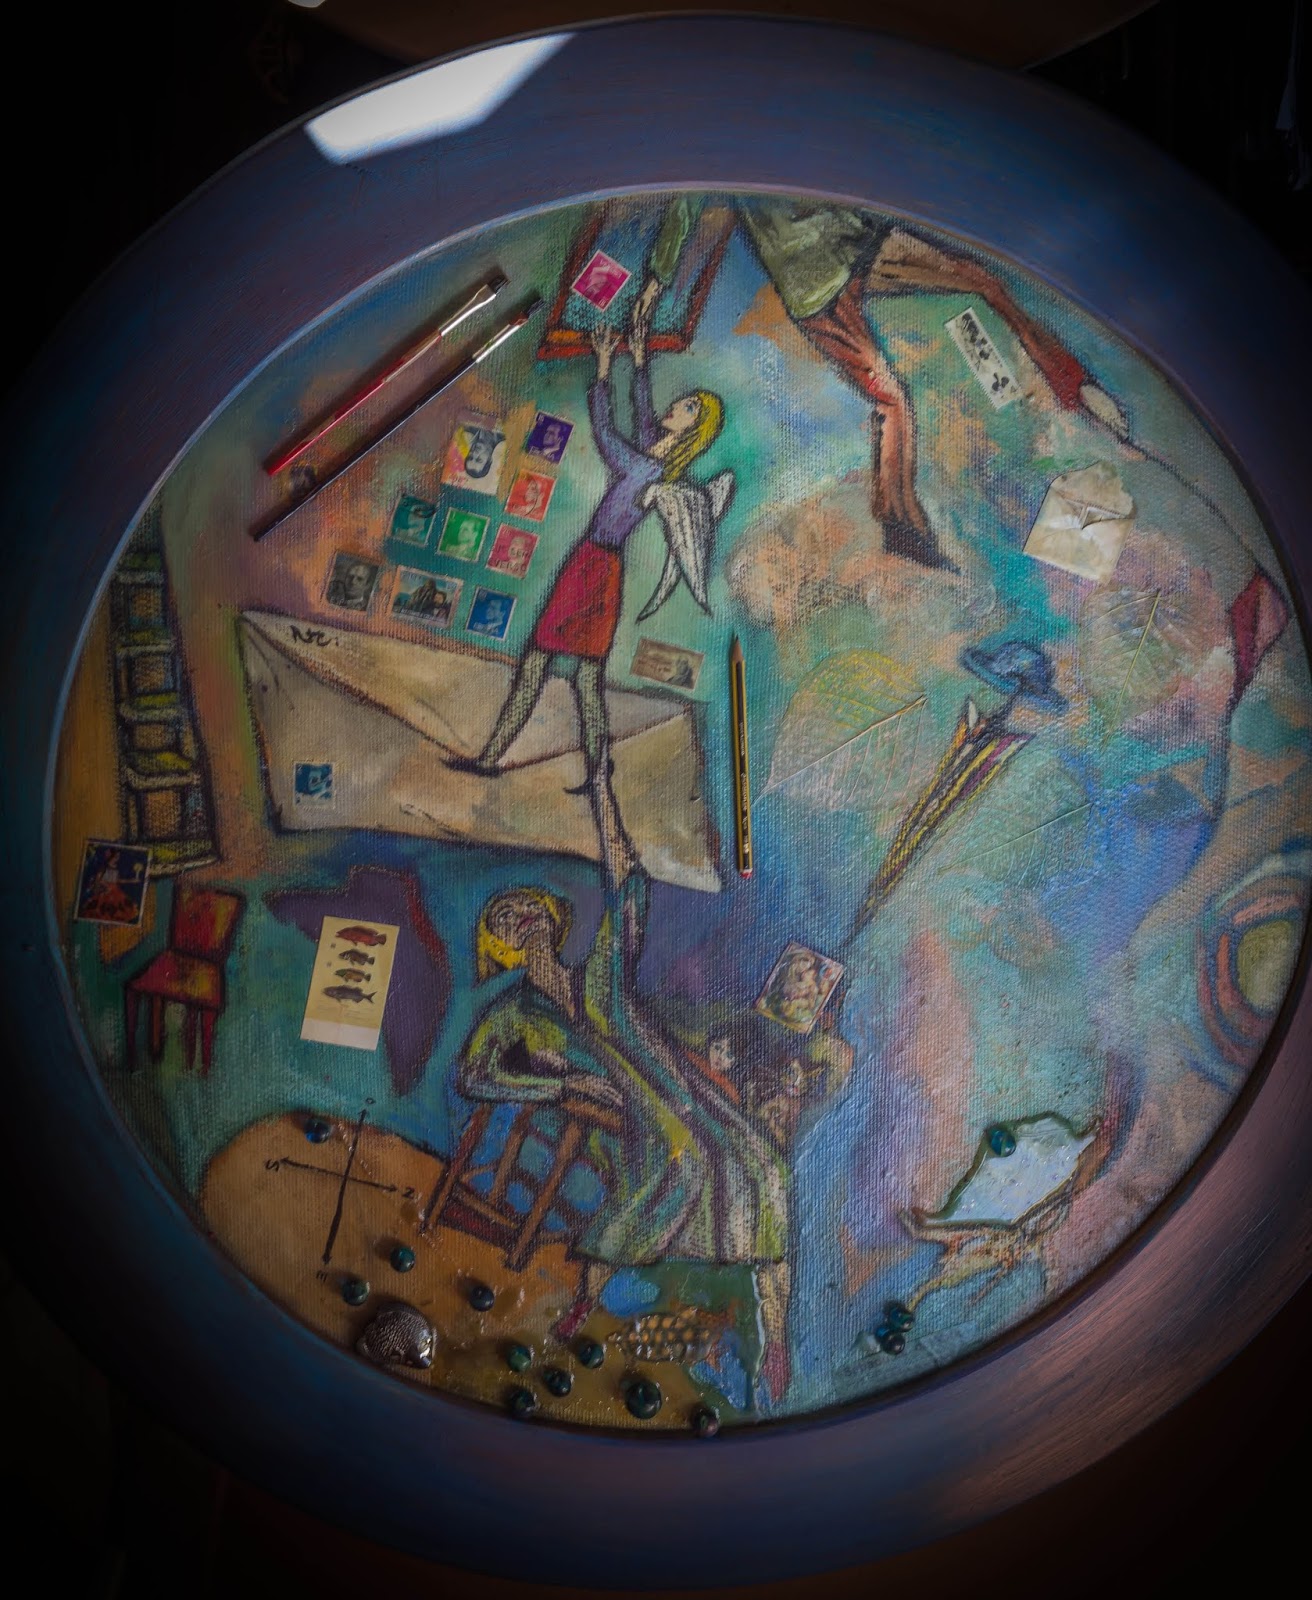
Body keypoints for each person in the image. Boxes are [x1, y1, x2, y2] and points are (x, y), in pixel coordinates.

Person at [636, 196, 1128, 571]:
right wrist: (657, 279)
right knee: (891, 399)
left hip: (854, 236)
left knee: (982, 280)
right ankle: (901, 527)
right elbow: (685, 205)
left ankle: (1071, 384)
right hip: (812, 280)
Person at [458, 878, 795, 1400]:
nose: (519, 913)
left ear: (550, 917)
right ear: (500, 947)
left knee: (765, 1168)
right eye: (504, 917)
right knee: (676, 1164)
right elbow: (473, 1075)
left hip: (679, 1088)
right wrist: (562, 1085)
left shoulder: (599, 975)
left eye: (526, 904)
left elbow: (629, 894)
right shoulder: (514, 1011)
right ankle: (584, 1302)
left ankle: (776, 1339)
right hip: (620, 1118)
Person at [448, 296, 726, 887]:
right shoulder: (657, 455)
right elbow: (642, 411)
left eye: (687, 407)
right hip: (595, 568)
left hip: (594, 570)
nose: (675, 406)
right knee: (576, 680)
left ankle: (503, 760)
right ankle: (545, 766)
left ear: (693, 427)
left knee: (554, 671)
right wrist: (638, 354)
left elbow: (606, 434)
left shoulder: (649, 470)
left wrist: (603, 366)